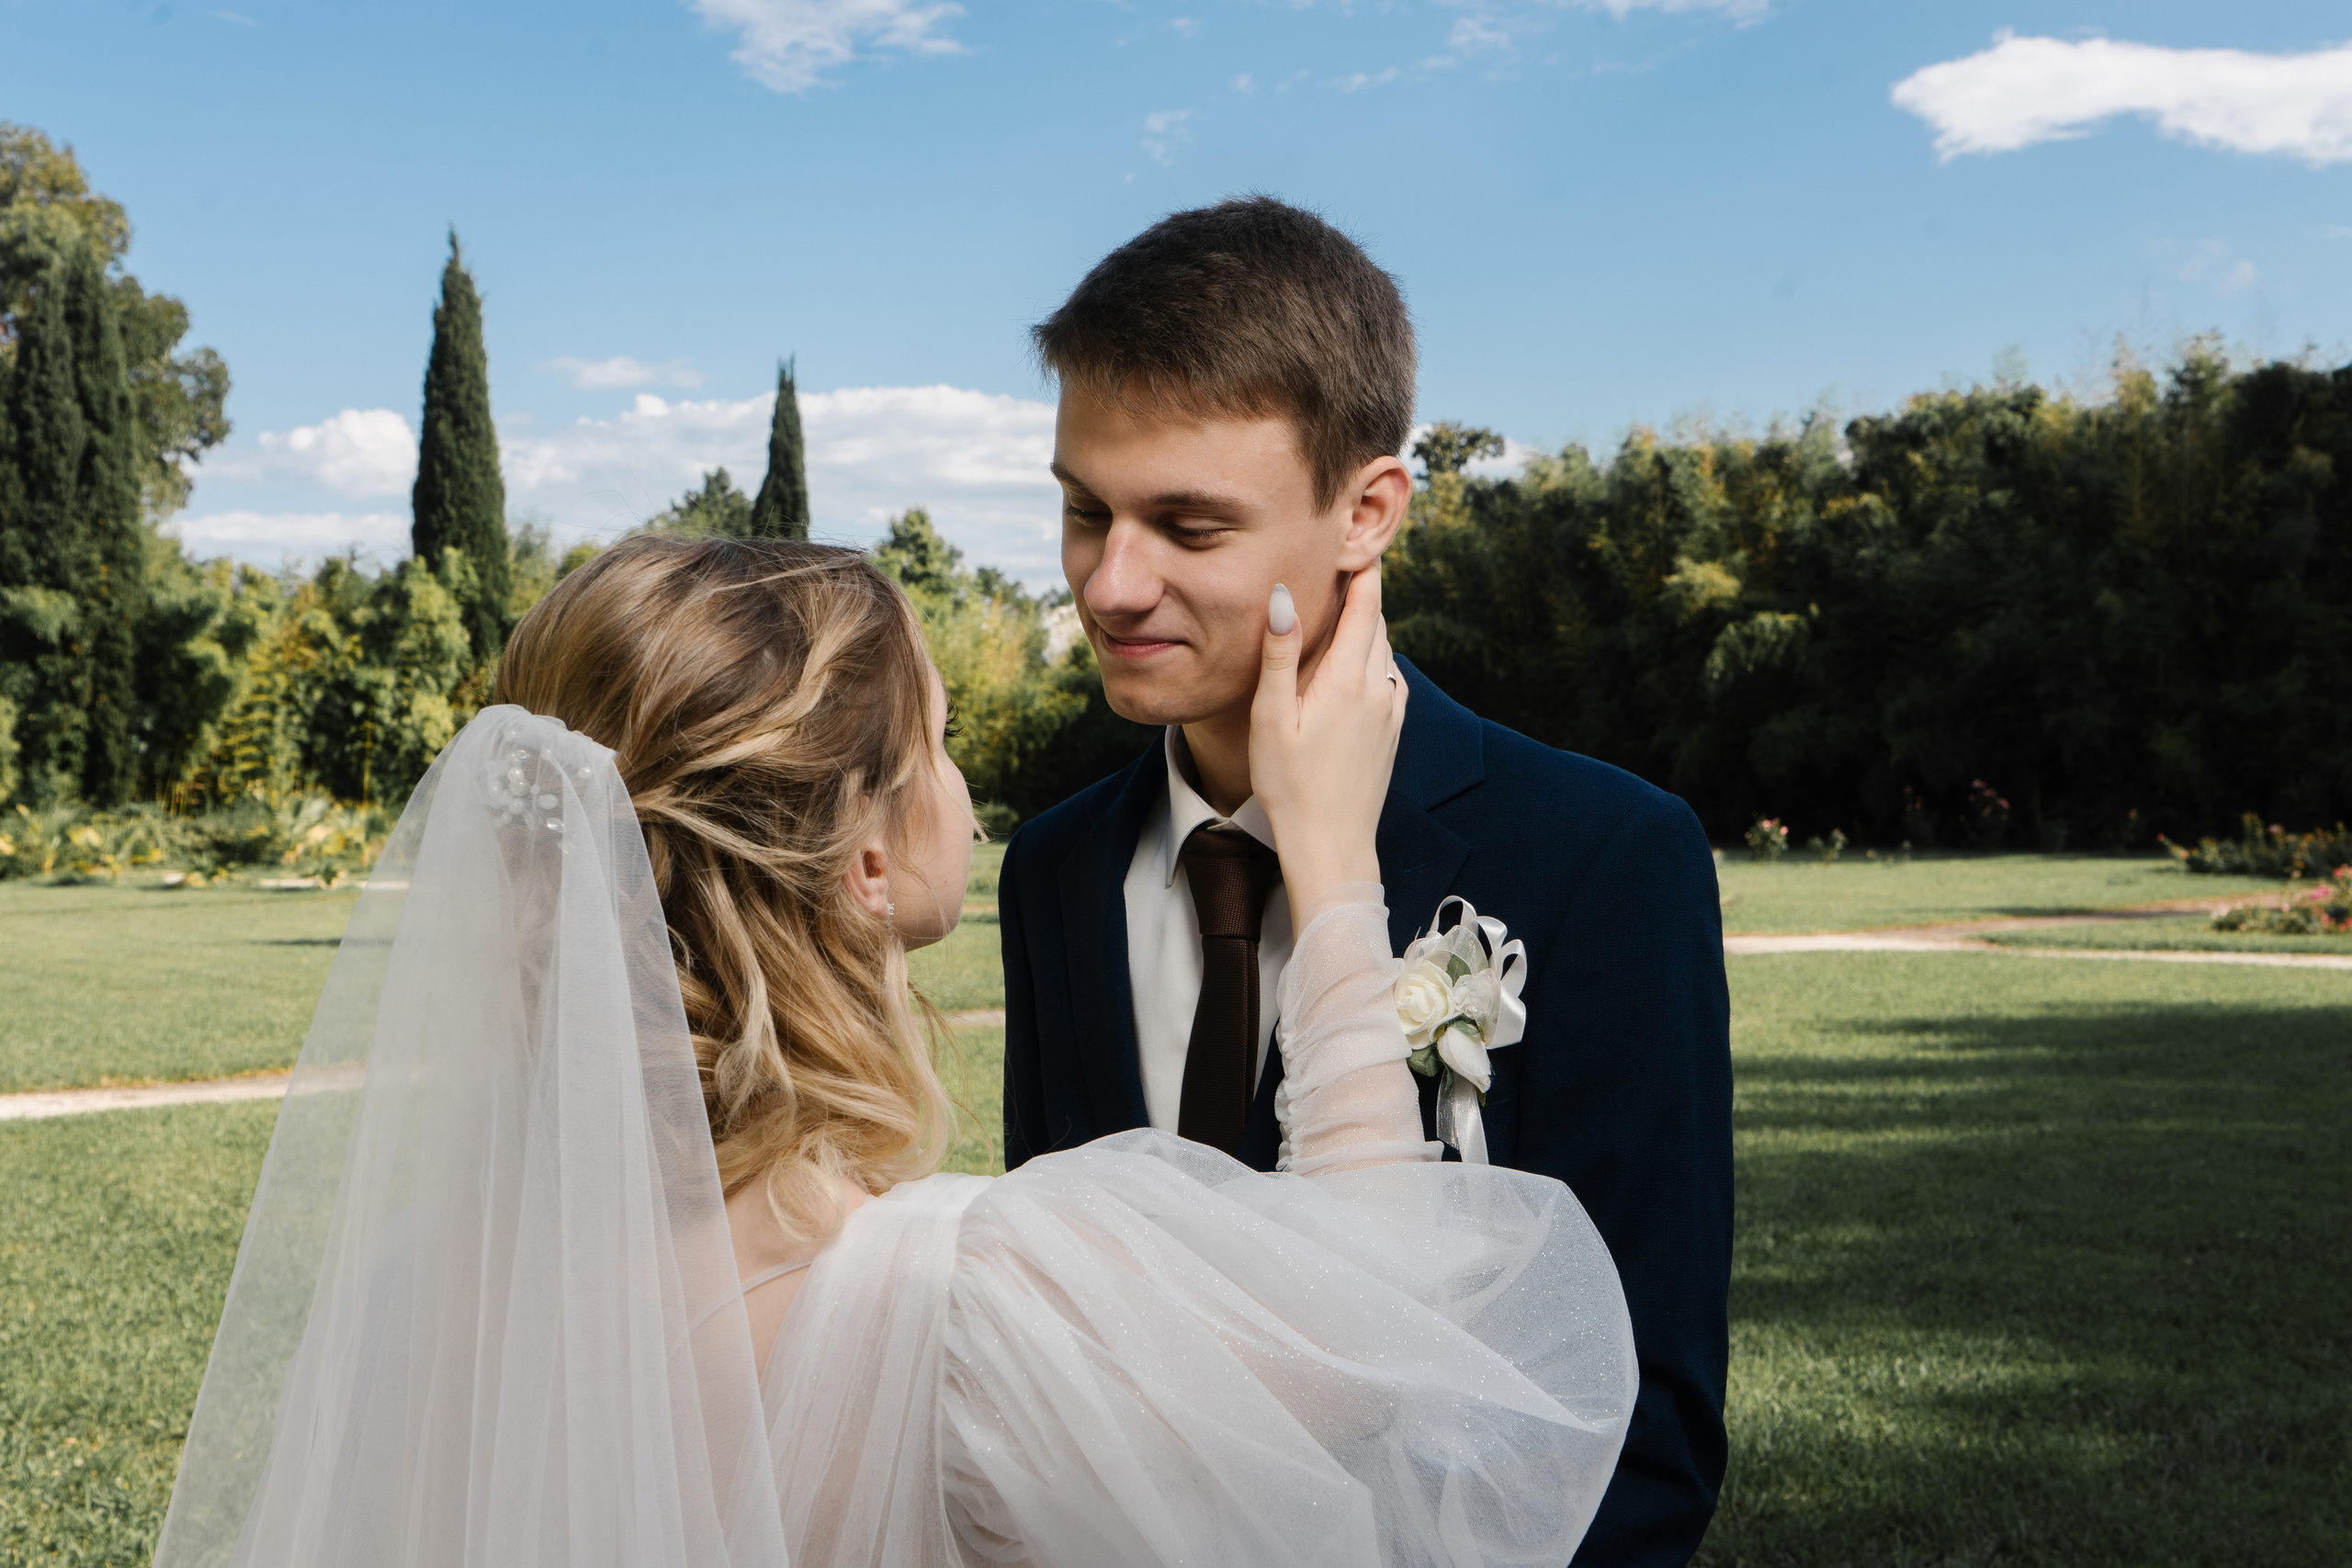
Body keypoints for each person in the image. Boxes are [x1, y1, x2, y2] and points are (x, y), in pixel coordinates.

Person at [153, 534, 1635, 1568]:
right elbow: (1386, 1361)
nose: (966, 787)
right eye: (938, 736)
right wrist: (1332, 856)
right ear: (867, 860)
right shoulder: (967, 1307)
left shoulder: (432, 1286)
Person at [999, 197, 1732, 1564]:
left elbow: (1648, 1440)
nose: (1108, 584)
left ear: (1367, 513)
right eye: (1085, 510)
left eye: (1189, 526)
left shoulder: (1605, 856)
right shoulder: (1054, 869)